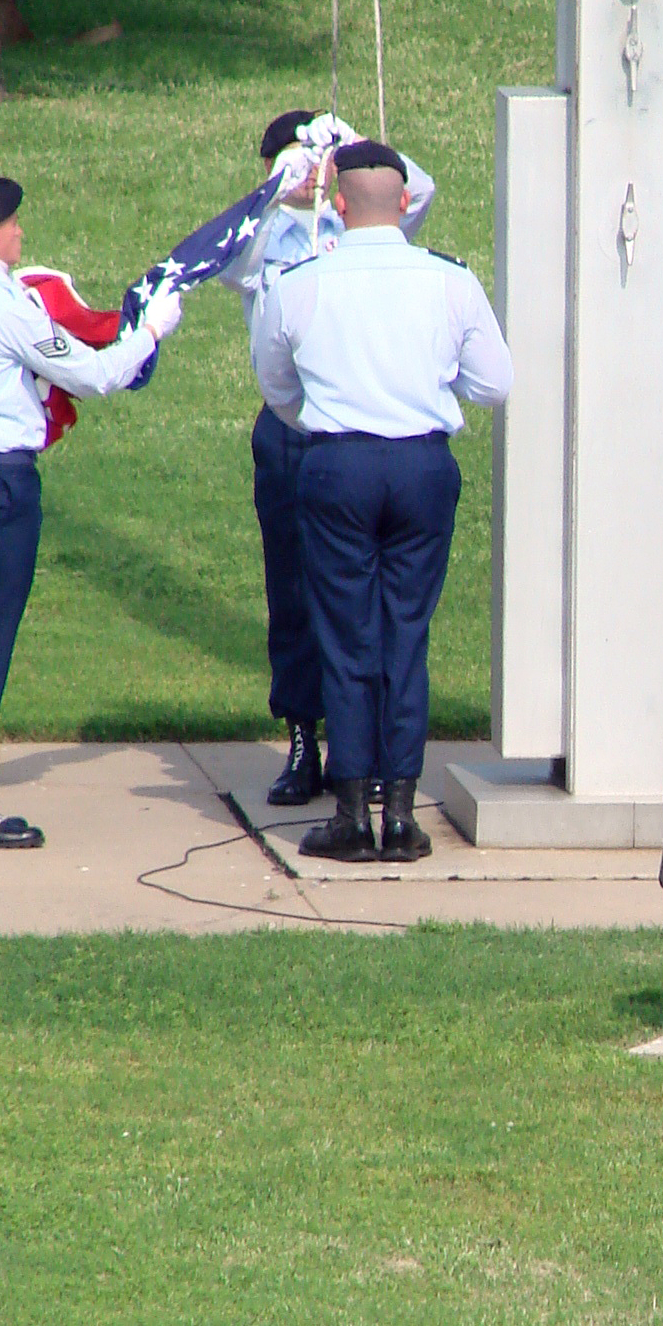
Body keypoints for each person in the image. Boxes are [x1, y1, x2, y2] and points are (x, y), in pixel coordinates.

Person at [251, 139, 511, 862]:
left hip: (337, 465)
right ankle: (399, 813)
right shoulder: (449, 280)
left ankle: (349, 814)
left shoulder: (301, 281)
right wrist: (430, 388)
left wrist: (329, 419)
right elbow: (495, 382)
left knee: (346, 640)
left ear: (337, 204)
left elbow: (276, 387)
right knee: (405, 637)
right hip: (422, 464)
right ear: (403, 202)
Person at [0, 177, 183, 847]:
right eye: (10, 223)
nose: (19, 232)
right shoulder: (3, 306)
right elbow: (93, 375)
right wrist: (150, 331)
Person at [225, 109, 437, 807]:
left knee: (367, 601)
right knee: (292, 590)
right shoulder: (260, 236)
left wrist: (347, 141)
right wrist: (276, 191)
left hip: (356, 422)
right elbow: (228, 256)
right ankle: (302, 739)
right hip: (292, 425)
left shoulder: (357, 221)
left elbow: (417, 189)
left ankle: (366, 750)